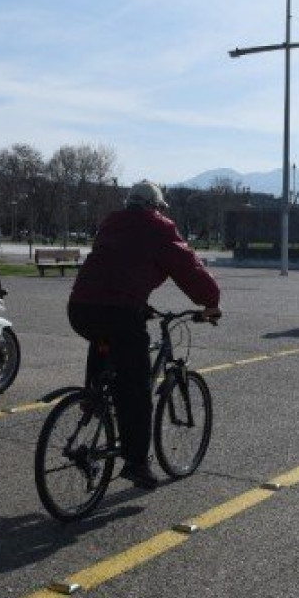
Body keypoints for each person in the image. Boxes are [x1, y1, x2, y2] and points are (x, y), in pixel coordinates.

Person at [68, 181, 221, 489]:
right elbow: (187, 267)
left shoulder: (111, 221)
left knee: (104, 340)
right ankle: (137, 464)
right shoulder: (159, 227)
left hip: (80, 307)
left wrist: (139, 304)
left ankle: (93, 397)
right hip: (119, 311)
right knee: (136, 389)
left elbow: (116, 269)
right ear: (156, 206)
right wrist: (211, 301)